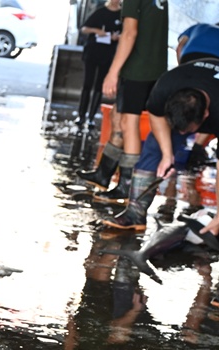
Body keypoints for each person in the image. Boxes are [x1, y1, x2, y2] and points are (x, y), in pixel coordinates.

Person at [102, 56, 219, 232]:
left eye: (187, 131)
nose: (181, 134)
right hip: (188, 83)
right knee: (154, 147)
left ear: (206, 115)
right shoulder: (166, 86)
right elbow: (156, 115)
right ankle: (135, 213)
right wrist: (167, 154)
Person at [96, 0, 169, 206]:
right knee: (123, 120)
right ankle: (106, 176)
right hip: (155, 67)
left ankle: (126, 186)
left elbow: (129, 33)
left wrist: (112, 72)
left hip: (137, 69)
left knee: (129, 124)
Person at [76, 0, 122, 129]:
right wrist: (97, 31)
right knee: (87, 84)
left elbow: (127, 33)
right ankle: (81, 115)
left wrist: (117, 37)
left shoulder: (122, 15)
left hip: (108, 54)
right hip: (93, 51)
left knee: (99, 86)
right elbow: (84, 28)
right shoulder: (100, 12)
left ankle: (91, 117)